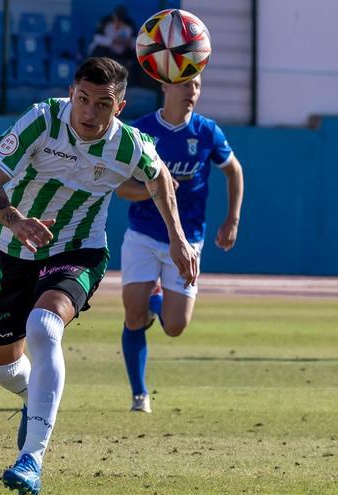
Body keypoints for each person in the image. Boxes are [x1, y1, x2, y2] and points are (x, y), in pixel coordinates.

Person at [0, 57, 198, 495]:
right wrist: (16, 220)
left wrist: (178, 238)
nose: (89, 113)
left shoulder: (128, 143)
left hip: (79, 251)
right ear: (71, 93)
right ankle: (33, 398)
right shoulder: (40, 121)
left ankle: (31, 459)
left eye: (102, 104)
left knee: (44, 325)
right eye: (83, 99)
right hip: (12, 251)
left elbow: (160, 177)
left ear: (120, 106)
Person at [116, 74, 243, 413]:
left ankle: (157, 301)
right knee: (132, 316)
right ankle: (139, 395)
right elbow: (121, 188)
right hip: (143, 234)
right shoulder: (142, 132)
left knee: (175, 327)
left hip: (188, 240)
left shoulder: (206, 132)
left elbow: (234, 171)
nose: (192, 92)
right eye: (186, 85)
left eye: (198, 85)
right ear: (165, 87)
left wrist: (232, 219)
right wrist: (157, 187)